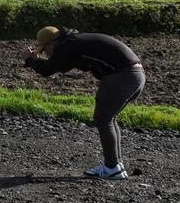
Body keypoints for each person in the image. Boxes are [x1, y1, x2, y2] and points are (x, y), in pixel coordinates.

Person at [22, 26, 146, 180]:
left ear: (51, 44)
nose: (46, 53)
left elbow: (48, 69)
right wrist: (36, 61)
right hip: (136, 75)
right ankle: (115, 166)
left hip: (121, 77)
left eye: (44, 50)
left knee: (103, 119)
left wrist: (30, 60)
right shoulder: (74, 41)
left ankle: (112, 168)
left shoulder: (68, 45)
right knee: (108, 119)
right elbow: (61, 66)